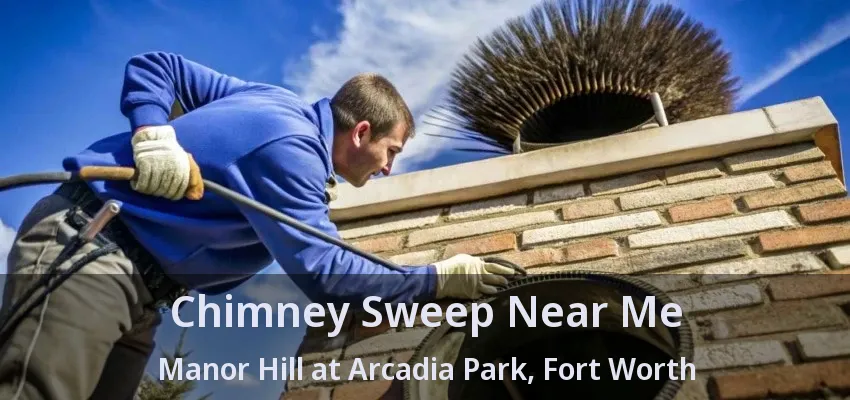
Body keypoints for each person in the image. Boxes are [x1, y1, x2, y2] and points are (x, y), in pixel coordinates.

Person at [0, 51, 516, 400]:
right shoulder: (291, 147)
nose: (389, 168)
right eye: (391, 151)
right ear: (361, 131)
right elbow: (327, 274)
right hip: (92, 244)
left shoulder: (272, 103)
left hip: (138, 289)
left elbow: (162, 67)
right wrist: (437, 279)